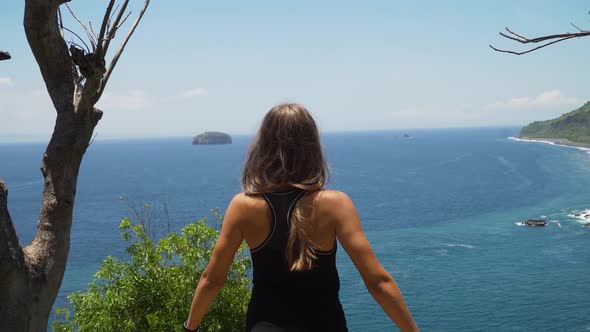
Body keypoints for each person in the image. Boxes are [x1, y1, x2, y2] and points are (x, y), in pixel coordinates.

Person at [184, 103, 418, 331]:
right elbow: (378, 282)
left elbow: (212, 280)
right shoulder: (335, 205)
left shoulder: (243, 206)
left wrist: (190, 327)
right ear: (312, 146)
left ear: (263, 146)